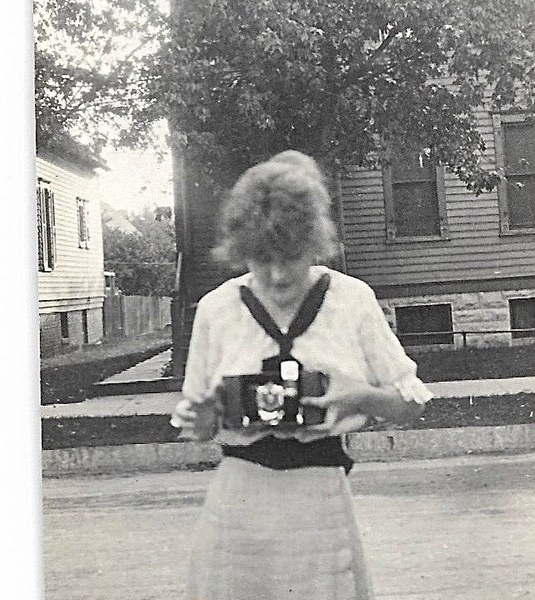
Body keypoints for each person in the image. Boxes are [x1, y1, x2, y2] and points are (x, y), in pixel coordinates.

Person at [171, 150, 433, 600]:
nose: (275, 275)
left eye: (289, 257)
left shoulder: (351, 300)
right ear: (240, 250)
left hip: (320, 506)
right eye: (259, 258)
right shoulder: (217, 309)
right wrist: (201, 418)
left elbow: (413, 402)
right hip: (238, 509)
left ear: (314, 244)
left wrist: (362, 397)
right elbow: (194, 421)